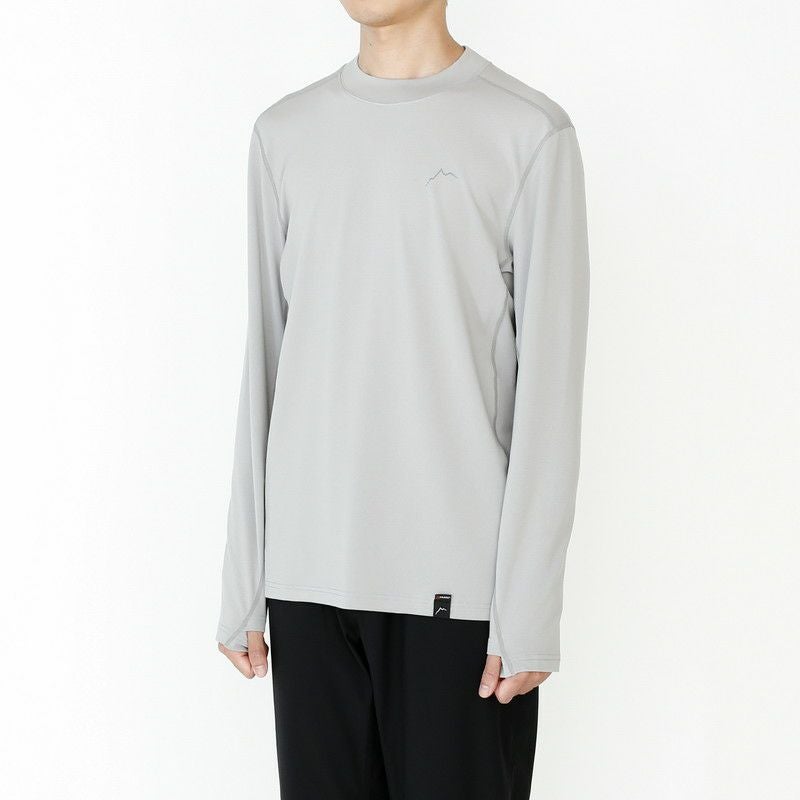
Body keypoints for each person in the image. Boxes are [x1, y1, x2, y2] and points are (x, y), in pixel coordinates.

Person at [215, 1, 590, 797]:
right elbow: (267, 359)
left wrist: (528, 608)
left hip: (457, 595)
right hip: (308, 582)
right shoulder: (284, 135)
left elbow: (550, 393)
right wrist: (246, 578)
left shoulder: (527, 133)